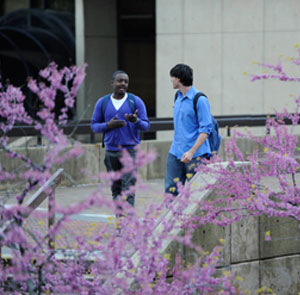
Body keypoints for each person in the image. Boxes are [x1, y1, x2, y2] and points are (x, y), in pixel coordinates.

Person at [91, 70, 150, 211]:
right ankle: (120, 224)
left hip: (130, 152)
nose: (123, 83)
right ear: (112, 83)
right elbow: (94, 126)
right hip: (111, 153)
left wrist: (136, 121)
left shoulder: (135, 101)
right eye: (120, 80)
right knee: (116, 190)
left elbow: (146, 126)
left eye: (125, 81)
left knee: (128, 189)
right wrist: (108, 125)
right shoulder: (103, 102)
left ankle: (128, 226)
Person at [165, 64, 213, 196]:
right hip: (175, 152)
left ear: (179, 79)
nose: (171, 80)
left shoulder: (200, 99)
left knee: (196, 194)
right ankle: (172, 217)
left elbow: (205, 130)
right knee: (170, 190)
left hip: (195, 155)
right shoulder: (177, 97)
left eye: (172, 77)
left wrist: (191, 152)